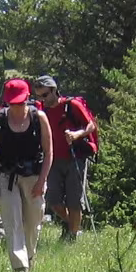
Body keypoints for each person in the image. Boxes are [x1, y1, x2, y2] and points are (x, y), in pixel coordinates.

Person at [0, 78, 52, 272]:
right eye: (13, 103)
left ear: (27, 98)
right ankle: (20, 269)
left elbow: (49, 152)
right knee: (12, 222)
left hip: (34, 177)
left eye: (20, 102)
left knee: (33, 223)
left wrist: (42, 181)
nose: (17, 106)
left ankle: (29, 258)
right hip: (6, 177)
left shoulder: (39, 118)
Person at [35, 75, 96, 239]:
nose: (42, 99)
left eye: (45, 95)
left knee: (74, 201)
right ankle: (72, 225)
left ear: (54, 90)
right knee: (53, 201)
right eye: (39, 96)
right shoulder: (43, 110)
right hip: (53, 159)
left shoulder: (71, 105)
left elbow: (91, 125)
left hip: (75, 157)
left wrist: (77, 134)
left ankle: (72, 236)